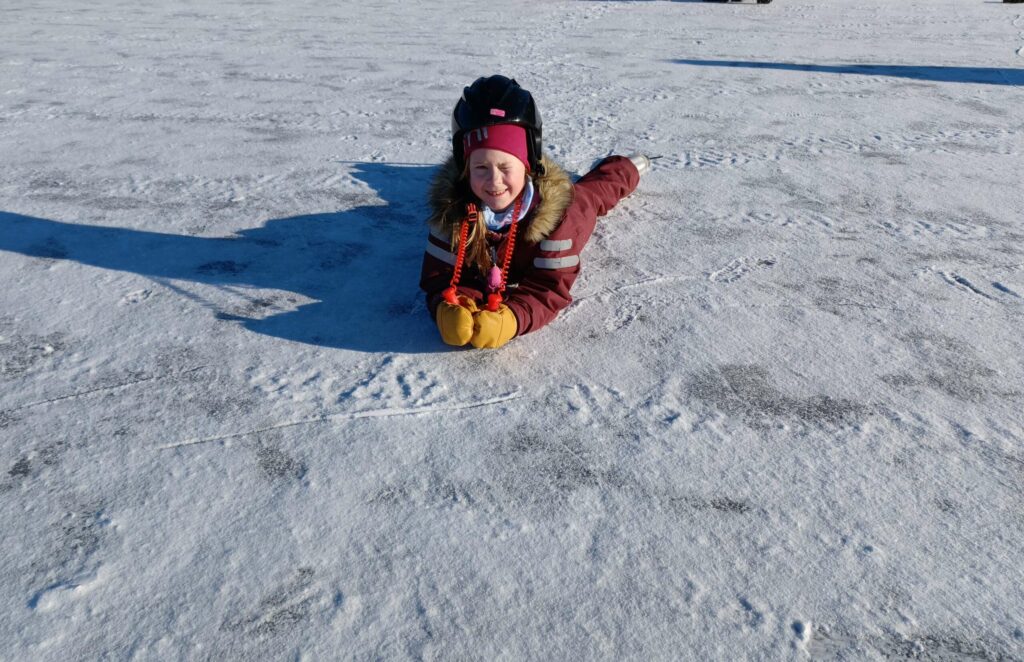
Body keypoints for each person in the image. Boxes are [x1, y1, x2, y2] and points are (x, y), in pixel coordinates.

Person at [419, 75, 650, 349]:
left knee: (596, 193)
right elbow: (440, 276)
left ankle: (627, 166)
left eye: (506, 168)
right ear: (464, 168)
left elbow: (547, 288)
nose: (494, 182)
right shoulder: (452, 211)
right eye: (480, 168)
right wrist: (450, 306)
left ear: (528, 165)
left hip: (569, 207)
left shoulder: (561, 218)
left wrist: (513, 318)